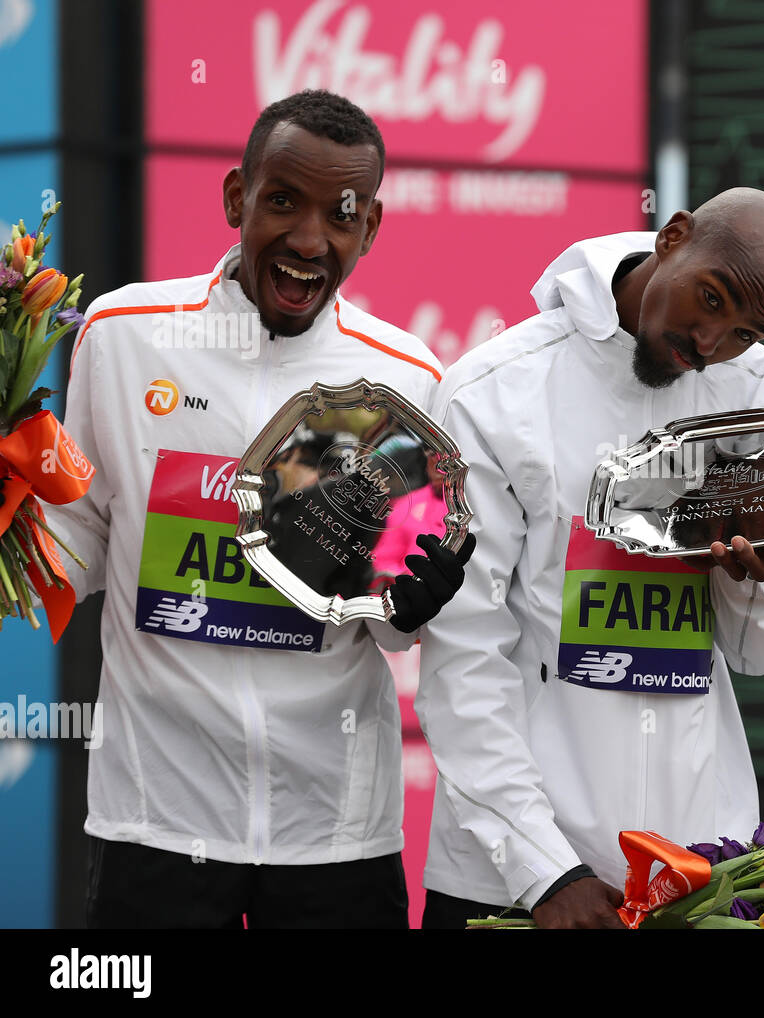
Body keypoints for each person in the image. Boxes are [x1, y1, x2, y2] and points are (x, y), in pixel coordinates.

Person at [47, 90, 473, 928]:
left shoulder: (409, 378)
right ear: (238, 197)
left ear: (372, 227)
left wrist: (416, 606)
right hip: (155, 815)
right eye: (283, 201)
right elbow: (82, 536)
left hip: (334, 831)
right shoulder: (124, 332)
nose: (310, 240)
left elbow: (386, 620)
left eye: (341, 215)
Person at [416, 188, 764, 929]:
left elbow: (759, 652)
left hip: (702, 874)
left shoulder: (758, 394)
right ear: (674, 236)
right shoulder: (497, 391)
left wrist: (754, 579)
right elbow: (464, 656)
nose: (712, 341)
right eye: (711, 298)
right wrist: (547, 870)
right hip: (513, 884)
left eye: (747, 332)